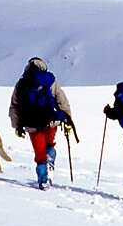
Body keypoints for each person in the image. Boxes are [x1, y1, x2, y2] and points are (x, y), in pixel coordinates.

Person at [8, 57, 75, 190]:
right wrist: (68, 119)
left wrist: (17, 126)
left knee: (39, 152)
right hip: (50, 120)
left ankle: (43, 180)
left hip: (31, 124)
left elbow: (14, 106)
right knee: (49, 143)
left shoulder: (21, 83)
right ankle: (50, 155)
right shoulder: (50, 79)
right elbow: (61, 100)